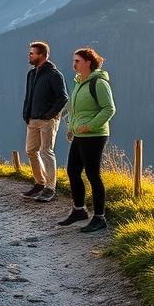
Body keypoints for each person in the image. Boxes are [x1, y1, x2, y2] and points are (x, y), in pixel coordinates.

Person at [57, 47, 116, 233]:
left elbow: (109, 109)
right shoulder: (79, 82)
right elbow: (73, 108)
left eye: (77, 61)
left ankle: (99, 218)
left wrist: (89, 126)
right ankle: (79, 210)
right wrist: (70, 127)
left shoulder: (98, 83)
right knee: (73, 172)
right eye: (74, 60)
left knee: (92, 174)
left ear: (88, 62)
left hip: (95, 135)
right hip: (80, 134)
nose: (74, 64)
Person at [21, 41, 68, 202]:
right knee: (31, 150)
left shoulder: (54, 75)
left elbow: (63, 98)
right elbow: (29, 96)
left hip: (47, 120)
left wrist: (50, 115)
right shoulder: (31, 74)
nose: (29, 55)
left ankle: (50, 187)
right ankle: (40, 183)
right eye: (30, 53)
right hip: (32, 119)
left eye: (32, 53)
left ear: (43, 55)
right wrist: (26, 115)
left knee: (46, 151)